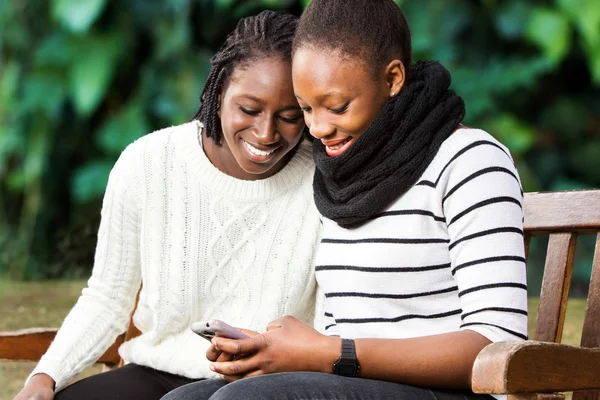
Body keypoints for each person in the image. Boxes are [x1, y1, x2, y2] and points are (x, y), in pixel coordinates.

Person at [162, 1, 528, 399]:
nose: (318, 128)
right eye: (305, 109)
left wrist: (326, 353)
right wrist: (276, 355)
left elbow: (496, 343)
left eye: (336, 107)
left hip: (453, 392)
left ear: (392, 79)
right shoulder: (343, 177)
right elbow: (339, 342)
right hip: (360, 382)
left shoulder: (470, 160)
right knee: (185, 398)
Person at [13, 10, 323, 400]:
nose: (265, 133)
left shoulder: (324, 182)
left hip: (268, 385)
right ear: (218, 89)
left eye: (290, 116)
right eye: (248, 109)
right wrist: (46, 377)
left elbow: (331, 323)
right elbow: (108, 298)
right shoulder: (148, 162)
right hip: (155, 373)